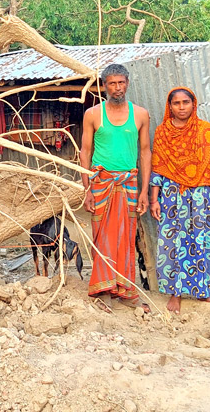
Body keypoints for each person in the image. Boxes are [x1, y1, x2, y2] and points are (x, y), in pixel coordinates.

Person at [148, 87, 210, 315]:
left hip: (202, 196)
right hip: (172, 197)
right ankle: (175, 294)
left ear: (193, 105)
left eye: (186, 102)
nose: (182, 107)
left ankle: (203, 291)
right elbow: (157, 168)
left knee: (203, 241)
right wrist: (154, 200)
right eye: (177, 103)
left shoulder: (206, 132)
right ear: (170, 106)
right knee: (173, 242)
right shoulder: (163, 132)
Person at [79, 64, 151, 311]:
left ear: (128, 83)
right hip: (101, 184)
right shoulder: (93, 114)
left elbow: (144, 152)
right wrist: (86, 188)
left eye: (121, 82)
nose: (117, 88)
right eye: (112, 83)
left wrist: (144, 191)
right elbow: (86, 151)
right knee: (102, 238)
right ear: (104, 86)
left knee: (125, 236)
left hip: (129, 184)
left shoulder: (140, 114)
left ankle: (125, 290)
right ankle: (103, 290)